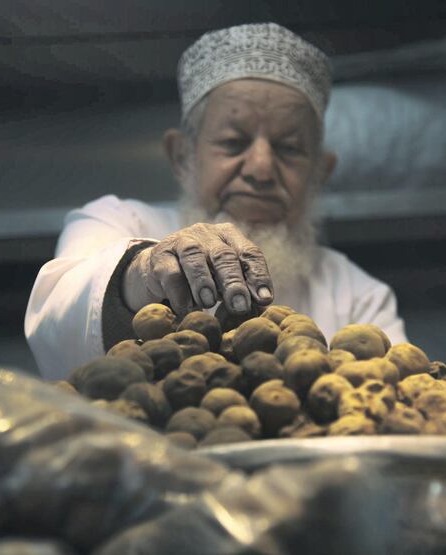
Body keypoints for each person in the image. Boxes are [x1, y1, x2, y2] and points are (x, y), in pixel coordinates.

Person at [25, 23, 407, 380]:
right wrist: (144, 271)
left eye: (289, 148)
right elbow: (58, 324)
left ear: (320, 174)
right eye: (233, 143)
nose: (260, 169)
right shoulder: (114, 222)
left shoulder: (358, 296)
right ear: (182, 156)